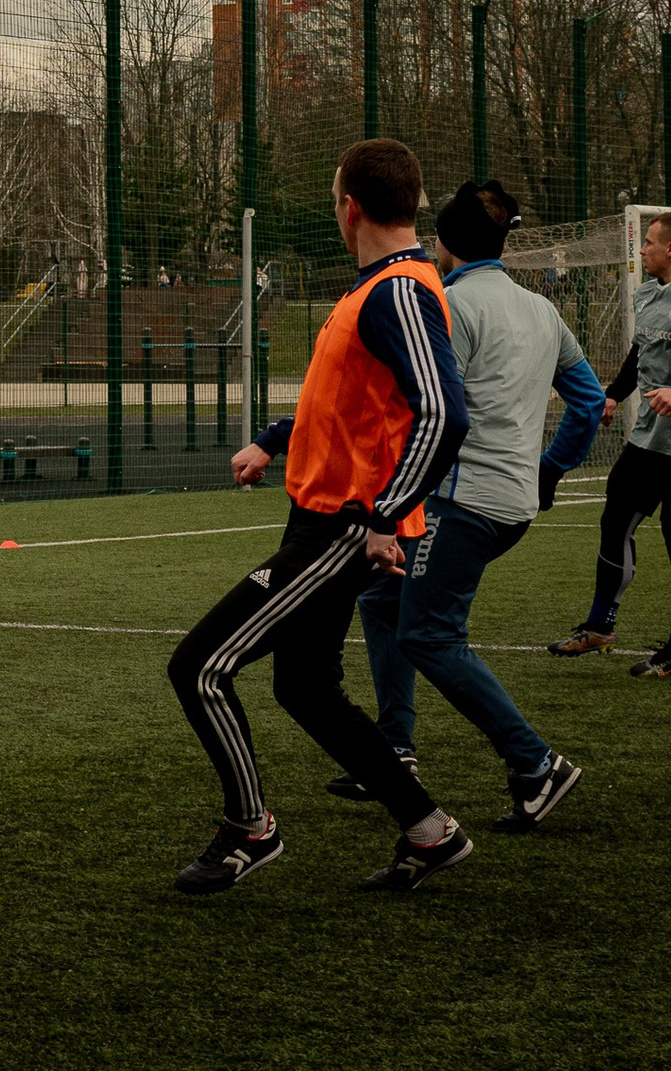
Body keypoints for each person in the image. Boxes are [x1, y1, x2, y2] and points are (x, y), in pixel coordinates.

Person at [167, 138, 473, 895]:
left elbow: (443, 412)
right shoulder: (372, 289)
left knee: (200, 666)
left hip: (340, 527)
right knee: (304, 687)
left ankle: (249, 827)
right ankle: (430, 832)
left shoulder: (398, 290)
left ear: (350, 206)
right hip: (321, 517)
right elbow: (343, 403)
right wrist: (273, 442)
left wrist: (385, 513)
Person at [348, 182, 604, 832]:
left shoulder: (450, 304)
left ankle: (536, 764)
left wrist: (390, 492)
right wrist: (548, 470)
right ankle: (395, 750)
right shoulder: (541, 309)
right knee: (381, 596)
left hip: (462, 501)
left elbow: (439, 413)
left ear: (442, 241)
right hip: (510, 498)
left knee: (429, 632)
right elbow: (589, 399)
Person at [548, 210, 671, 679]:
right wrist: (614, 394)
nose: (642, 251)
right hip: (646, 442)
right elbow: (642, 352)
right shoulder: (647, 293)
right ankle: (600, 626)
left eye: (649, 243)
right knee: (615, 519)